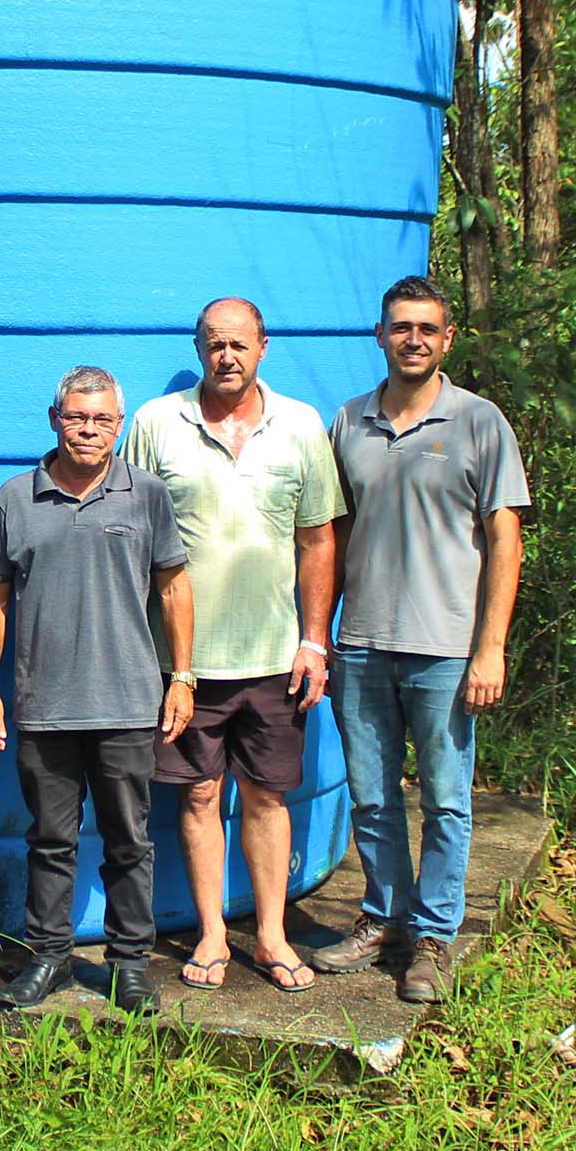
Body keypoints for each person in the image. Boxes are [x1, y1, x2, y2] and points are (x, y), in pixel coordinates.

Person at [318, 275, 530, 1005]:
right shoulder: (347, 423)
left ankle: (435, 936)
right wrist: (318, 636)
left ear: (445, 339)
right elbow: (327, 538)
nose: (412, 338)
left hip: (445, 648)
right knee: (372, 797)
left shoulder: (479, 423)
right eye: (399, 326)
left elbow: (506, 539)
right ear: (379, 335)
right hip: (362, 643)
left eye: (426, 329)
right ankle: (384, 917)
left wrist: (490, 646)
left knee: (445, 799)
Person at [126, 298, 343, 994]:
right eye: (214, 344)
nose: (227, 356)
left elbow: (316, 539)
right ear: (198, 348)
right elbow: (130, 537)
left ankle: (272, 935)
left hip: (276, 657)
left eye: (239, 344)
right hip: (184, 664)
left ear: (262, 348)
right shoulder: (157, 425)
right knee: (194, 797)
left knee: (267, 798)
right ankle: (213, 933)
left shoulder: (301, 426)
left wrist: (315, 639)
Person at [0, 367, 194, 1017]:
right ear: (54, 418)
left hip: (128, 704)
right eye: (76, 417)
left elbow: (174, 586)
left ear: (118, 424)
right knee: (49, 841)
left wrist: (181, 676)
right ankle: (48, 959)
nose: (88, 429)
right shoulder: (15, 497)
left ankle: (129, 966)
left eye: (101, 419)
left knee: (130, 841)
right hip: (44, 706)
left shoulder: (146, 495)